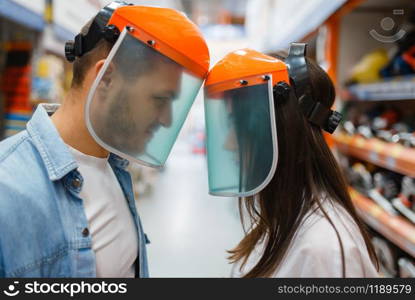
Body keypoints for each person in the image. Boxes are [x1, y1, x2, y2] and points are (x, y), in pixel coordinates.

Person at [0, 1, 209, 277]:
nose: (167, 120)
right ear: (106, 78)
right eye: (160, 99)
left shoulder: (114, 165)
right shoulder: (7, 188)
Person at [204, 45, 379, 277]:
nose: (228, 144)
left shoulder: (324, 250)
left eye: (238, 126)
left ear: (281, 131)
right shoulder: (283, 216)